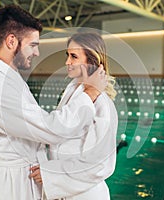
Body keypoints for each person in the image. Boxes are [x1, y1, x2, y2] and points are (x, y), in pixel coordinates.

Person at [0, 5, 108, 200]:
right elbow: (52, 129)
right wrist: (90, 94)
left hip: (25, 176)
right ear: (11, 41)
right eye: (33, 45)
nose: (37, 53)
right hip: (17, 184)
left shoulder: (7, 78)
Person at [30, 32, 118, 199]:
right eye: (67, 55)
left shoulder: (102, 104)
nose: (67, 62)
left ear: (91, 60)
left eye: (74, 56)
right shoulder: (72, 92)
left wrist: (51, 174)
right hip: (66, 192)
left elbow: (100, 164)